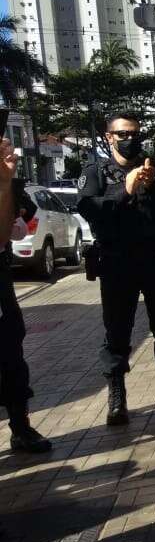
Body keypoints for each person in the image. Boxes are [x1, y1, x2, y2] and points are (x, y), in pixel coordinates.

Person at [78, 113, 155, 426]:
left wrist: (154, 185)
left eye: (133, 133)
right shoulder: (96, 172)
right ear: (109, 137)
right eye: (121, 134)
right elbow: (89, 209)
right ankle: (117, 399)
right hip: (117, 265)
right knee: (117, 333)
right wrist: (125, 190)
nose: (128, 139)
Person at [0, 139, 50, 453]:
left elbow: (12, 232)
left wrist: (6, 183)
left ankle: (21, 427)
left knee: (11, 358)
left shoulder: (8, 184)